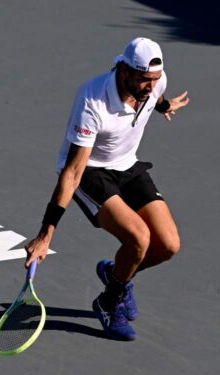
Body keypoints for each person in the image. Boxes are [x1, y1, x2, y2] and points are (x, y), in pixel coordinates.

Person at [24, 37, 189, 341]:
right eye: (144, 79)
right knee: (138, 239)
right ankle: (109, 303)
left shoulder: (154, 82)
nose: (151, 86)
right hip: (90, 170)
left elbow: (156, 95)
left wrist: (165, 105)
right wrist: (46, 235)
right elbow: (73, 172)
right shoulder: (92, 101)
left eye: (155, 79)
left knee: (168, 245)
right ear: (124, 70)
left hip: (127, 165)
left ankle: (117, 274)